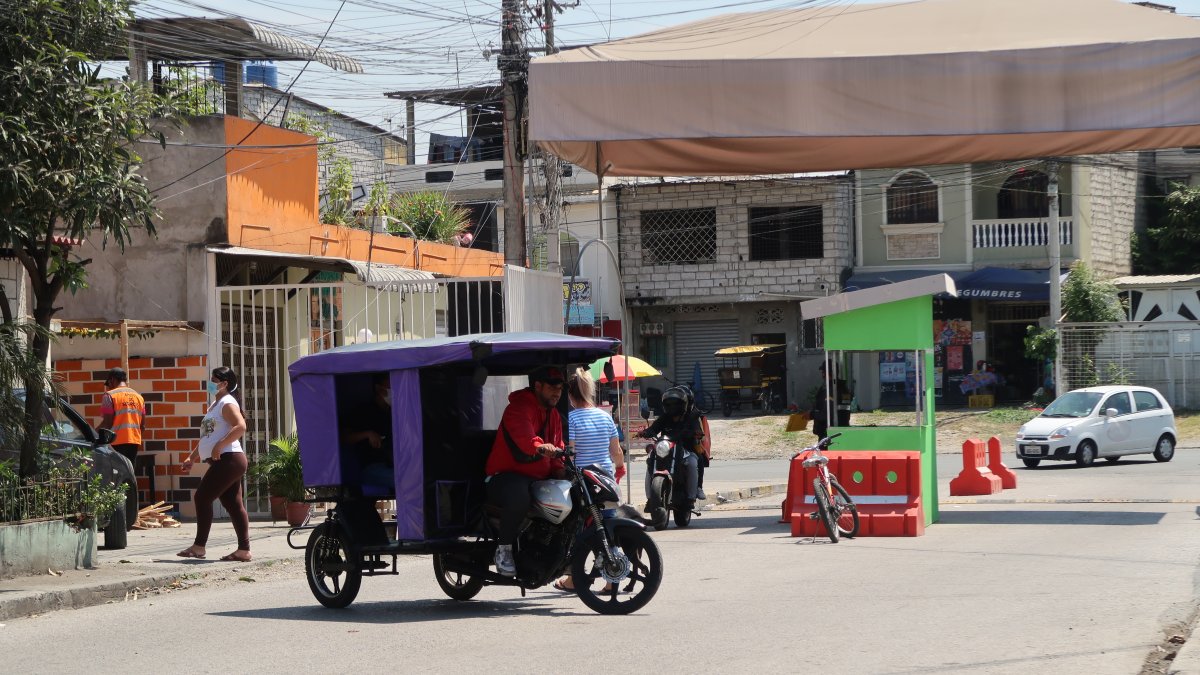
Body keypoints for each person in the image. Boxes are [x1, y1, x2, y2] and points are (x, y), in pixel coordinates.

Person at [484, 365, 566, 577]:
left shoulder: (554, 414)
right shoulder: (519, 408)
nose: (557, 392)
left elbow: (559, 446)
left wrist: (561, 471)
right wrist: (540, 446)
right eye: (551, 387)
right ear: (537, 386)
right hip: (505, 477)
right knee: (519, 496)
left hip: (538, 478)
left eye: (560, 387)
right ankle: (504, 551)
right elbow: (526, 439)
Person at [554, 368, 623, 592]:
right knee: (607, 529)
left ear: (570, 395)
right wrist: (619, 470)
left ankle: (574, 578)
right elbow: (617, 452)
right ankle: (613, 580)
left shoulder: (572, 419)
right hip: (605, 481)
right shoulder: (605, 416)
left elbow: (571, 454)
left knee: (576, 532)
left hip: (583, 483)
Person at [177, 367, 250, 562]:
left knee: (202, 497)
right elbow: (207, 436)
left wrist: (220, 445)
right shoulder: (215, 405)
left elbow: (241, 426)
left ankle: (199, 547)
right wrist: (191, 458)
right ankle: (244, 550)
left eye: (214, 380)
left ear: (224, 383)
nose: (210, 383)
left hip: (229, 459)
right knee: (233, 504)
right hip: (226, 460)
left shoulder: (227, 402)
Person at [638, 385, 704, 509]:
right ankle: (650, 498)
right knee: (650, 461)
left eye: (675, 404)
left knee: (692, 463)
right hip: (666, 449)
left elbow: (697, 430)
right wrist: (646, 432)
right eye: (669, 404)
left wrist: (696, 433)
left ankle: (691, 496)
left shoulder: (692, 417)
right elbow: (654, 428)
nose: (672, 407)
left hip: (685, 450)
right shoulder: (665, 418)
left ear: (683, 404)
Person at [339, 372, 394, 489]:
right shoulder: (363, 411)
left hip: (394, 464)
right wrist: (368, 434)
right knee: (405, 480)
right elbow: (344, 438)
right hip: (371, 468)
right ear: (379, 389)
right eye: (391, 386)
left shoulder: (395, 412)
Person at [98, 368, 146, 468]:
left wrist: (93, 433)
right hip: (134, 442)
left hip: (116, 443)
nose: (109, 387)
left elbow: (107, 423)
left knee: (116, 475)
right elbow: (143, 425)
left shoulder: (109, 396)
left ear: (112, 380)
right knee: (129, 473)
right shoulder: (138, 397)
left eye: (109, 384)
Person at [811, 361, 851, 439]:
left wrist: (811, 414)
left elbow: (826, 414)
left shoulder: (830, 389)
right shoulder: (843, 388)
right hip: (841, 430)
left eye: (823, 372)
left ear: (825, 373)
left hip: (828, 433)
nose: (822, 374)